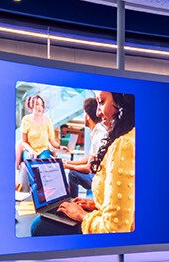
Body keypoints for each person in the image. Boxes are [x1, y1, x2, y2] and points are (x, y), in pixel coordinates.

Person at [51, 91, 137, 234]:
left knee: (39, 226)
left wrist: (81, 214)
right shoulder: (128, 136)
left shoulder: (123, 144)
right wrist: (100, 205)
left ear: (122, 102)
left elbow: (115, 229)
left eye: (101, 102)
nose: (97, 112)